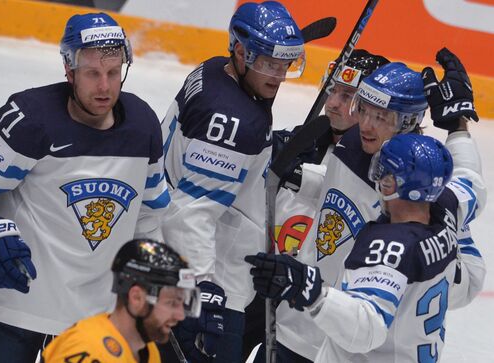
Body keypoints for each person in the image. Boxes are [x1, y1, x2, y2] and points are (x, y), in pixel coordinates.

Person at [0, 12, 169, 362]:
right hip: (11, 305)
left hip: (92, 319)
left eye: (113, 73)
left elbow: (149, 215)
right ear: (69, 70)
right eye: (93, 73)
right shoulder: (27, 119)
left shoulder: (143, 126)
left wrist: (154, 281)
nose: (105, 87)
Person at [251, 48, 486, 362]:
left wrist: (313, 292)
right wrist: (297, 176)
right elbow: (469, 181)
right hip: (298, 324)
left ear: (409, 121)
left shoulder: (417, 205)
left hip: (346, 333)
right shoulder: (356, 145)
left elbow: (464, 284)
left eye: (382, 117)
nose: (367, 125)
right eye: (363, 109)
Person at [158, 2, 306, 362]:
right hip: (212, 286)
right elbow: (190, 213)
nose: (279, 75)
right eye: (269, 63)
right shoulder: (233, 122)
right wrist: (204, 290)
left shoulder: (213, 70)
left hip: (173, 266)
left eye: (285, 64)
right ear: (240, 52)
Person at [243, 49, 390, 361]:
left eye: (347, 95)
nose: (333, 102)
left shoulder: (384, 170)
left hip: (311, 320)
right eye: (332, 89)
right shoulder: (309, 139)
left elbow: (342, 187)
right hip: (264, 279)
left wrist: (299, 174)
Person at [42, 238, 200, 363]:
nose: (180, 315)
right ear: (137, 297)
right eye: (172, 303)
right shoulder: (87, 349)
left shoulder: (148, 351)